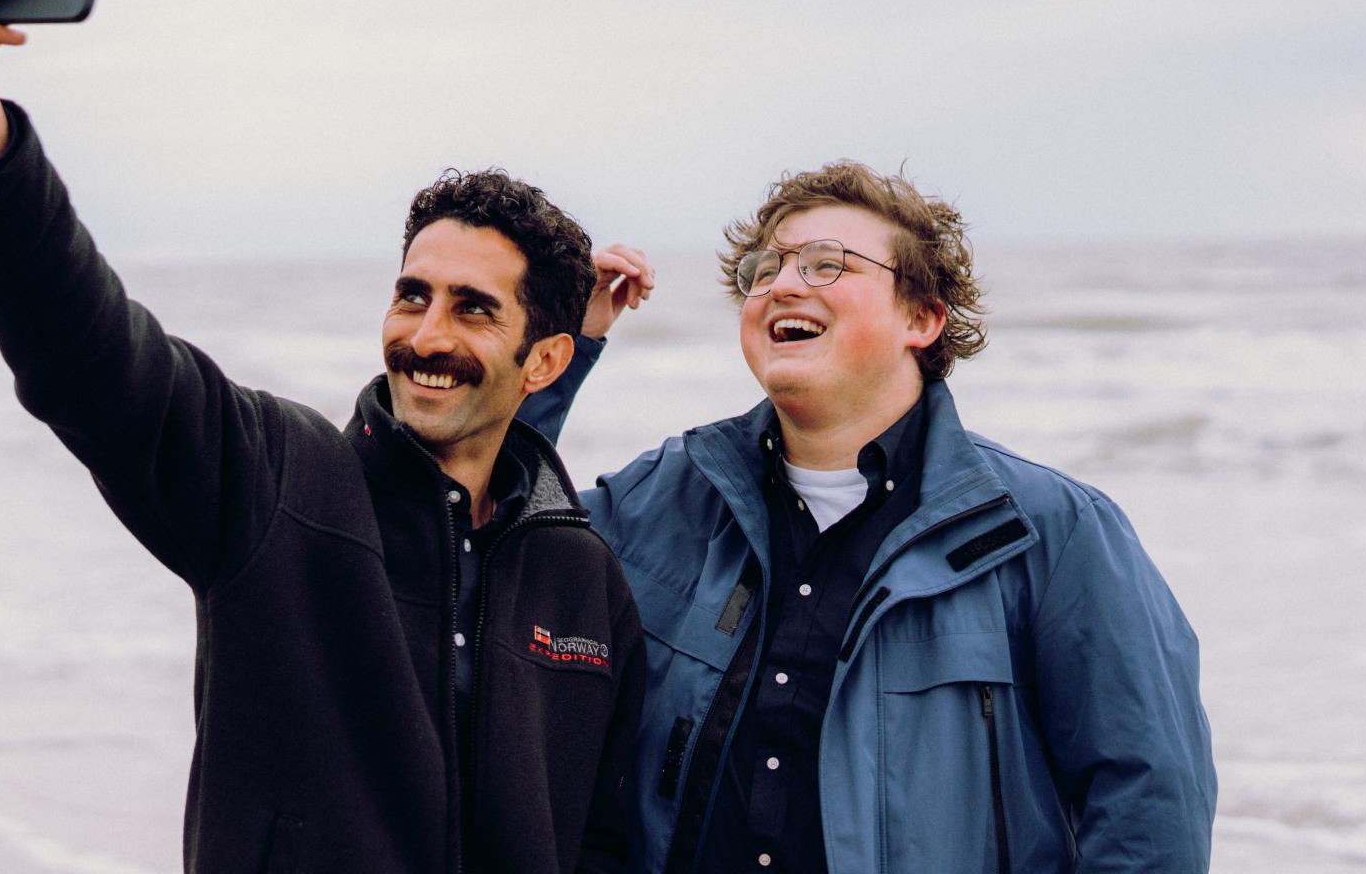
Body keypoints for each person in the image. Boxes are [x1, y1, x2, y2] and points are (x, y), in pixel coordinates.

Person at [0, 0, 662, 873]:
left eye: (473, 310)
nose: (424, 336)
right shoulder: (275, 483)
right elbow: (88, 356)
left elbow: (604, 842)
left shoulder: (583, 585)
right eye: (411, 295)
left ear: (547, 361)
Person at [519, 162, 1216, 872]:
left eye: (828, 265)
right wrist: (553, 352)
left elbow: (1148, 803)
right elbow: (483, 550)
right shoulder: (659, 500)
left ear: (922, 317)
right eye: (764, 270)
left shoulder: (1051, 532)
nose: (783, 285)